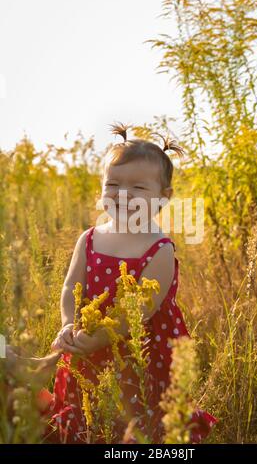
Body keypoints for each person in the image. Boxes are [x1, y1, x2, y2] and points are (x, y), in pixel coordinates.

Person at [7, 122, 218, 443]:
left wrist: (98, 338)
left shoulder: (159, 248)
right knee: (87, 406)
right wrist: (68, 325)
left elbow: (141, 311)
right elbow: (69, 287)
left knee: (137, 413)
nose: (123, 195)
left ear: (164, 198)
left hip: (140, 349)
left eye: (138, 188)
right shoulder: (90, 238)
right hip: (87, 337)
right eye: (113, 185)